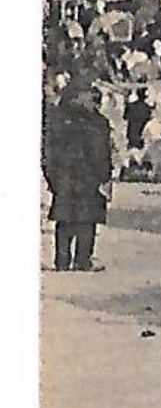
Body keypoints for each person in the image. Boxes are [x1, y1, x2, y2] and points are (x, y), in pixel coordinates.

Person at [43, 76, 113, 272]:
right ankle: (82, 260)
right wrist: (104, 175)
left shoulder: (56, 119)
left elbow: (47, 152)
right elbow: (100, 152)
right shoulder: (96, 123)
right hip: (88, 178)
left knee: (64, 220)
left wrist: (52, 178)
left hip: (63, 178)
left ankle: (62, 260)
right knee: (86, 220)